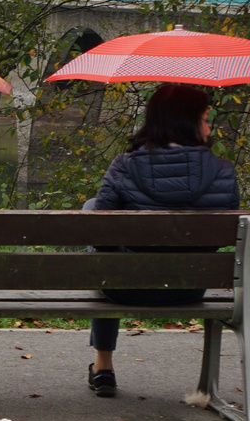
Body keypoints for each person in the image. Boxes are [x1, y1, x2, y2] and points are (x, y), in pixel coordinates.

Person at [83, 84, 237, 398]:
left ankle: (103, 367)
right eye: (205, 119)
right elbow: (221, 239)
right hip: (189, 287)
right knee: (105, 239)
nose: (209, 128)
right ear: (188, 123)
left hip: (125, 289)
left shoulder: (123, 166)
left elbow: (101, 240)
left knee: (94, 220)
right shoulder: (223, 172)